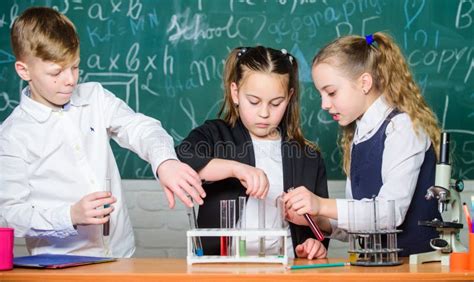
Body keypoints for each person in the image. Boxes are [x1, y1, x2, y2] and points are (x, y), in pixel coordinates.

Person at [0, 7, 206, 257]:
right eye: (56, 72)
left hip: (120, 255)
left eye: (74, 67)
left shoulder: (94, 97)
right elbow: (10, 215)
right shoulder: (12, 135)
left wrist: (164, 161)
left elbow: (140, 127)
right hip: (61, 266)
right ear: (24, 71)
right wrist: (70, 215)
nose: (70, 80)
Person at [283, 32, 441, 256]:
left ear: (365, 82)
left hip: (415, 268)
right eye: (321, 95)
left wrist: (321, 204)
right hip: (378, 266)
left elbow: (389, 213)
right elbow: (363, 221)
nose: (324, 105)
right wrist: (317, 219)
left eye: (331, 92)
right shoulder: (359, 135)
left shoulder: (402, 128)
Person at [176, 46, 329, 259]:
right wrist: (235, 169)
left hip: (285, 269)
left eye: (276, 103)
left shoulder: (307, 157)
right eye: (254, 101)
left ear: (289, 96)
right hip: (223, 270)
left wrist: (314, 244)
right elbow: (180, 159)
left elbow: (323, 223)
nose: (264, 113)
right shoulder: (215, 135)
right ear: (235, 92)